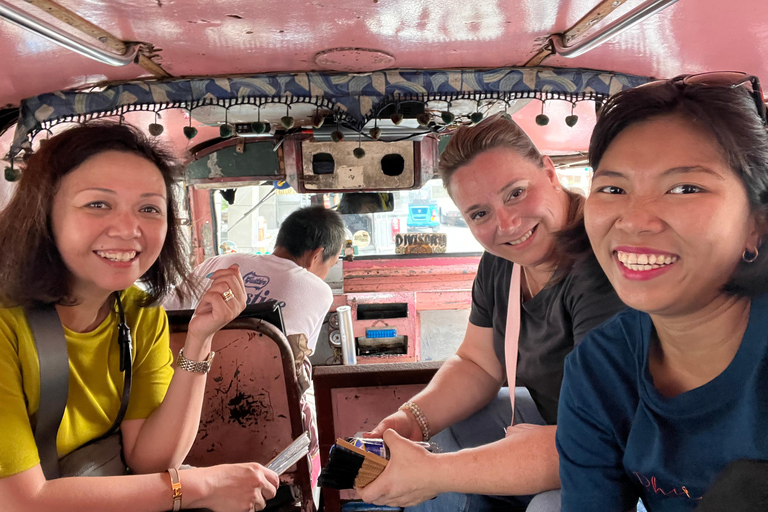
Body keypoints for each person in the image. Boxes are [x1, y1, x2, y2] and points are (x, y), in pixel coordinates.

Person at [0, 122, 279, 512]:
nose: (129, 229)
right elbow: (20, 502)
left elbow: (150, 459)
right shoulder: (7, 326)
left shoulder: (137, 314)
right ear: (43, 212)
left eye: (149, 208)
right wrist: (201, 485)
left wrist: (200, 339)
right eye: (98, 204)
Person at [358, 115, 626, 511]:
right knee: (443, 430)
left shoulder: (602, 266)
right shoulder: (502, 262)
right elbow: (478, 363)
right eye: (479, 214)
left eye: (516, 193)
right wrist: (413, 418)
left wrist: (433, 473)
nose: (508, 224)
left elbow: (598, 441)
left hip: (627, 455)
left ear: (549, 172)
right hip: (559, 430)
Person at [556, 73, 768, 511]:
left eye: (684, 188)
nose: (635, 221)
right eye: (613, 188)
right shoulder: (600, 367)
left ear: (756, 225)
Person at [164, 205, 345, 353]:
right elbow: (298, 362)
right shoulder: (319, 291)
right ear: (316, 256)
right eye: (330, 264)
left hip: (175, 372)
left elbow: (163, 313)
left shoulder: (219, 262)